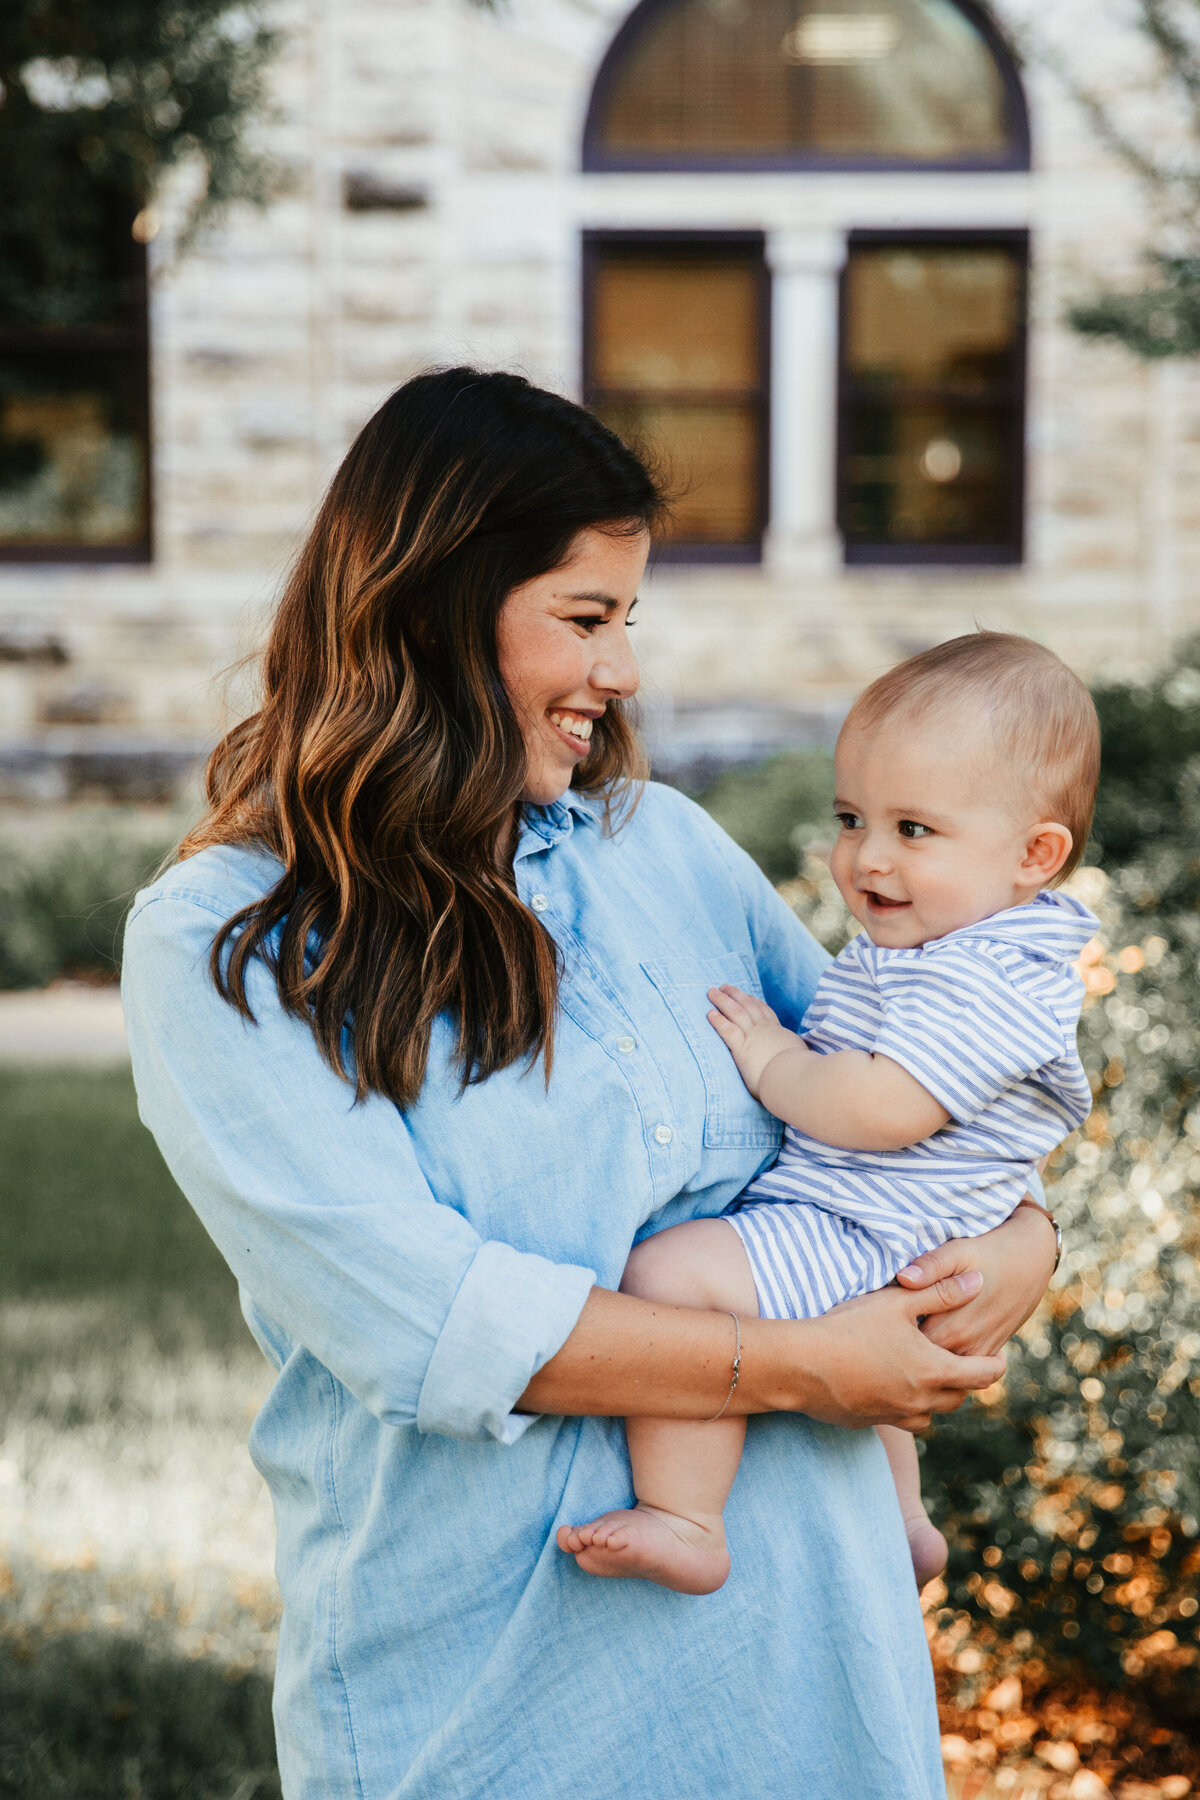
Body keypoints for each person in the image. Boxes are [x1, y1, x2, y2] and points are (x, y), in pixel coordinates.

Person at [122, 368, 1059, 1800]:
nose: (621, 674)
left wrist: (1021, 1243)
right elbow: (432, 1323)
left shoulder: (663, 848)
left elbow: (909, 1103)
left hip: (814, 1668)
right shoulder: (228, 943)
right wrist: (813, 1365)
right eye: (585, 619)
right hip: (502, 1698)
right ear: (434, 608)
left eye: (630, 621)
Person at [560, 633, 1098, 1599]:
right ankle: (907, 1526)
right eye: (853, 818)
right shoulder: (949, 945)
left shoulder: (988, 975)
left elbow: (879, 1108)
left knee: (671, 1275)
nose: (866, 858)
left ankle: (686, 1518)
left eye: (914, 830)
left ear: (1036, 854)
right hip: (902, 1224)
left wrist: (772, 1059)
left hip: (870, 1223)